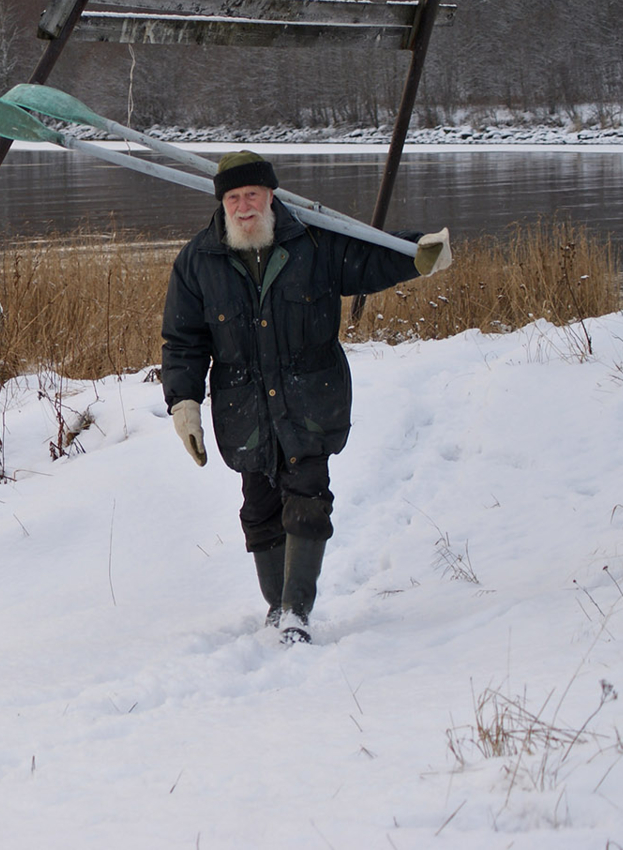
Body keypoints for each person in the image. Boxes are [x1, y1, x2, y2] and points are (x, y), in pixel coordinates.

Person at [160, 150, 451, 644]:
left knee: (308, 500)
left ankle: (296, 610)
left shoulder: (312, 241)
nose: (244, 206)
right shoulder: (197, 261)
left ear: (271, 196)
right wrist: (183, 404)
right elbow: (184, 341)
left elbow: (368, 256)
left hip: (310, 401)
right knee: (259, 510)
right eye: (233, 197)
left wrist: (416, 252)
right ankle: (277, 607)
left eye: (252, 194)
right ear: (222, 204)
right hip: (244, 407)